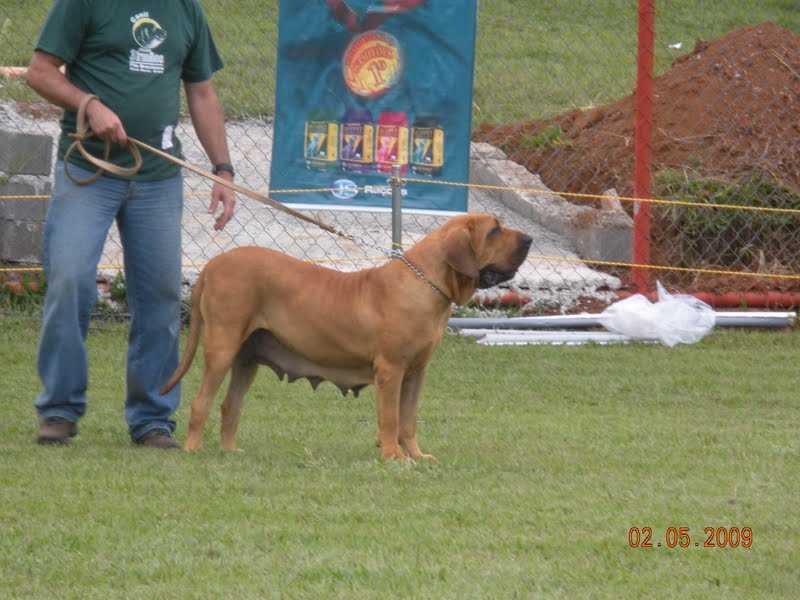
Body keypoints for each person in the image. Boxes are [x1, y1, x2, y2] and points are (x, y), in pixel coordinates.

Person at [26, 0, 236, 449]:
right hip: (88, 169)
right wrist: (89, 104)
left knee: (160, 296)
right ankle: (59, 410)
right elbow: (40, 72)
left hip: (157, 179)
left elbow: (202, 92)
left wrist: (223, 170)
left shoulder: (185, 10)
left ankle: (152, 420)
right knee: (69, 279)